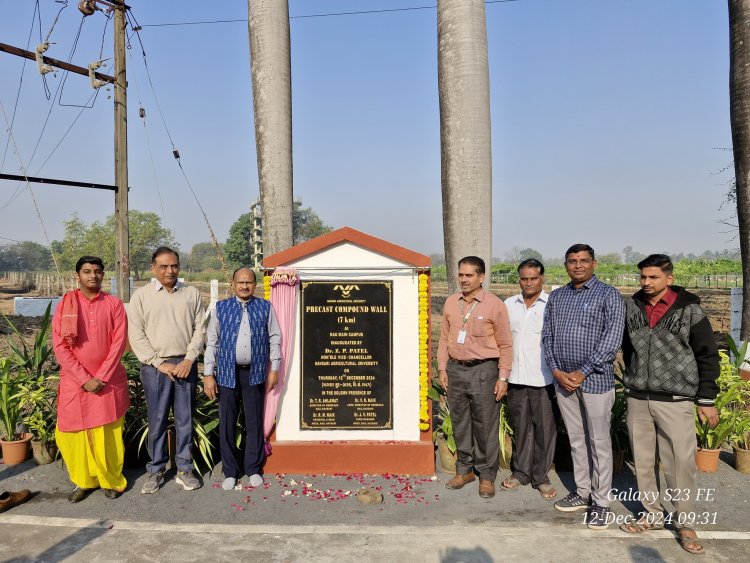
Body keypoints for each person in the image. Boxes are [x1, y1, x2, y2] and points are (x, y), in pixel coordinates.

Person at [620, 254, 719, 556]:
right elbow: (627, 347)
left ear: (669, 278)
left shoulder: (690, 310)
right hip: (638, 397)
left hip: (676, 400)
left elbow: (707, 353)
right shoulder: (632, 306)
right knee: (643, 462)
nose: (646, 283)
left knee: (680, 463)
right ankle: (651, 512)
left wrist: (707, 398)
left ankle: (684, 522)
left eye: (653, 278)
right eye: (643, 277)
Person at [542, 243, 625, 529]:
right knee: (576, 439)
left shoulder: (609, 295)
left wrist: (582, 371)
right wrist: (556, 369)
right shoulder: (557, 297)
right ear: (565, 265)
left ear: (594, 263)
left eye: (583, 260)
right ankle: (582, 491)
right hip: (563, 380)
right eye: (572, 261)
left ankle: (601, 502)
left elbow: (612, 340)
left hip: (595, 381)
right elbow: (547, 337)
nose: (578, 265)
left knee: (598, 441)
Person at [128, 247, 206, 494]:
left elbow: (200, 329)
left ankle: (184, 468)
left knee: (185, 419)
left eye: (174, 266)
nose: (169, 271)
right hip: (156, 368)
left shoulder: (191, 294)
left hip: (185, 366)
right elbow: (136, 333)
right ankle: (156, 469)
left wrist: (189, 359)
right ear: (153, 268)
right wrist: (158, 362)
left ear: (179, 267)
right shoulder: (141, 296)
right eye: (163, 266)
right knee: (158, 420)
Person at [52, 256, 129, 503]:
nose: (92, 275)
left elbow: (119, 343)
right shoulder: (65, 305)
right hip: (75, 382)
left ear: (103, 274)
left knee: (108, 433)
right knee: (73, 434)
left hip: (108, 381)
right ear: (77, 276)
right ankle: (84, 481)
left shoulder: (114, 304)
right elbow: (60, 345)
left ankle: (110, 480)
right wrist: (84, 378)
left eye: (97, 271)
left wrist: (101, 377)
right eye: (87, 271)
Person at [437, 256, 513, 498]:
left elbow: (505, 344)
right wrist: (442, 369)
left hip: (484, 371)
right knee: (460, 422)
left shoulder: (494, 305)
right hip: (456, 370)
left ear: (481, 277)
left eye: (469, 275)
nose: (464, 280)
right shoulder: (451, 303)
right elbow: (443, 339)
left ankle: (487, 475)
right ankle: (465, 470)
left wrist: (503, 377)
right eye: (461, 274)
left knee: (485, 425)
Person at [203, 268, 281, 490]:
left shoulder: (265, 307)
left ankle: (253, 468)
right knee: (227, 422)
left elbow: (275, 338)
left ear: (255, 284)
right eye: (241, 282)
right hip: (227, 373)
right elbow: (212, 342)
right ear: (233, 284)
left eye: (249, 282)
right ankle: (230, 471)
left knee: (254, 422)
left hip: (255, 372)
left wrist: (274, 368)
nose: (245, 286)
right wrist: (208, 374)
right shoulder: (221, 308)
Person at [502, 259, 557, 499]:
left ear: (542, 279)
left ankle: (540, 477)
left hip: (544, 378)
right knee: (521, 427)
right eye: (524, 279)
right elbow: (503, 340)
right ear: (519, 280)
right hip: (515, 377)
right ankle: (521, 472)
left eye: (533, 278)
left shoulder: (552, 305)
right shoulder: (508, 305)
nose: (529, 283)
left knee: (544, 429)